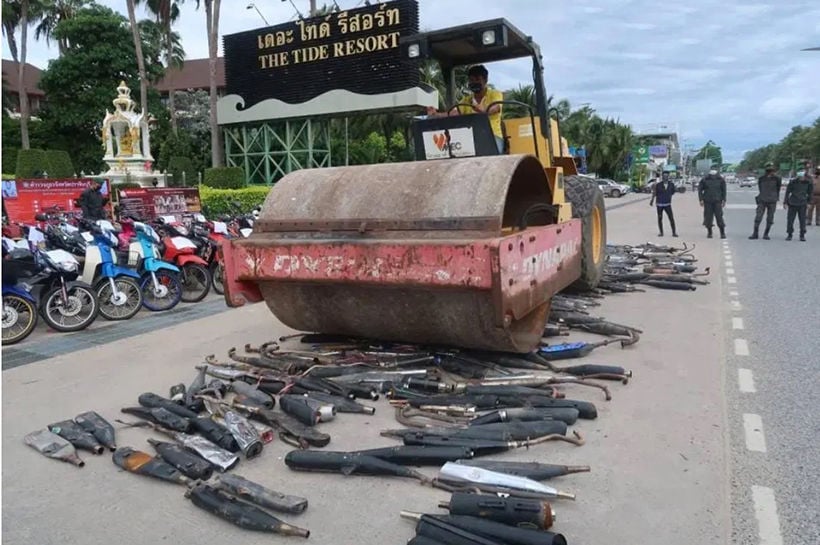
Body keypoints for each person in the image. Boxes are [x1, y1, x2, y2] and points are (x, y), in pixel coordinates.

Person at [426, 64, 504, 154]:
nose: (474, 82)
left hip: (493, 136)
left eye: (477, 79)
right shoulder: (466, 100)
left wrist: (480, 110)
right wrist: (435, 114)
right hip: (472, 137)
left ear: (485, 80)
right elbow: (454, 113)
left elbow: (494, 108)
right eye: (471, 80)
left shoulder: (495, 94)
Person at [749, 162, 781, 240]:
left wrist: (775, 196)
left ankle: (766, 234)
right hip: (762, 199)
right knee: (758, 217)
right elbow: (760, 189)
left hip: (772, 200)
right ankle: (755, 233)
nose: (770, 170)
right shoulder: (761, 178)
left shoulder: (777, 178)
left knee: (770, 218)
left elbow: (778, 189)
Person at [783, 161, 813, 241]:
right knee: (790, 220)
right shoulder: (793, 182)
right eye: (800, 171)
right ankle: (789, 234)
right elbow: (787, 192)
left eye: (802, 171)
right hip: (792, 203)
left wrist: (810, 202)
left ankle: (802, 235)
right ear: (797, 173)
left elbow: (810, 193)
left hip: (803, 203)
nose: (801, 173)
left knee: (802, 220)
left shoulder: (808, 182)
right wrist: (785, 202)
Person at [698, 167, 727, 239]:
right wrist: (701, 199)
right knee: (708, 218)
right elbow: (700, 190)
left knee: (719, 217)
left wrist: (724, 200)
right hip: (708, 201)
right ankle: (709, 232)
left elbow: (724, 190)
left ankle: (722, 233)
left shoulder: (721, 179)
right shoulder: (705, 179)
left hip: (717, 201)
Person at [650, 172, 678, 237]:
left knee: (671, 218)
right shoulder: (658, 185)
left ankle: (674, 232)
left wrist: (668, 196)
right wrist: (652, 200)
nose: (665, 177)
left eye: (666, 176)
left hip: (667, 204)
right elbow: (655, 193)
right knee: (660, 218)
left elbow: (673, 192)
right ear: (662, 177)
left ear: (668, 177)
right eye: (664, 176)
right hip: (659, 204)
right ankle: (661, 232)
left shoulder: (671, 184)